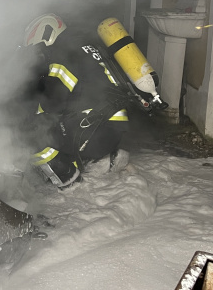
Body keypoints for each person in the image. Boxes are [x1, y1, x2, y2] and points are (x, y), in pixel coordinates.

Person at [16, 13, 132, 188]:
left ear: (46, 37)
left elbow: (54, 102)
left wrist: (28, 115)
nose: (40, 55)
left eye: (39, 48)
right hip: (111, 125)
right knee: (56, 125)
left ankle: (69, 181)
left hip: (96, 129)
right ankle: (105, 159)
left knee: (32, 130)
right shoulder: (84, 47)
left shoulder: (62, 55)